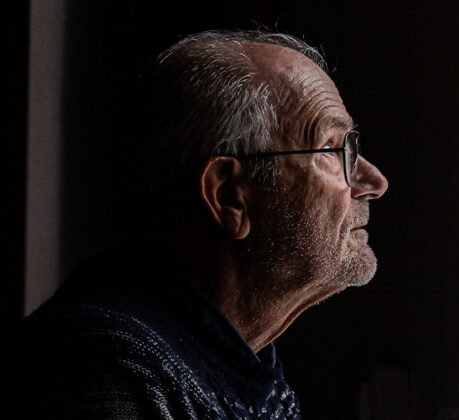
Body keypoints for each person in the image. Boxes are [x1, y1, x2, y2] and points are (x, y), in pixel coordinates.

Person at [5, 30, 388, 418]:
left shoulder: (240, 362)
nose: (373, 182)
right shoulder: (107, 370)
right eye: (329, 149)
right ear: (229, 196)